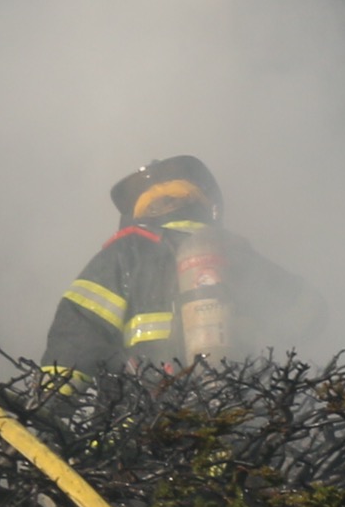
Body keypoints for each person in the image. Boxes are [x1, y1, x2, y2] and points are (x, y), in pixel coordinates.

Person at [38, 154, 266, 386]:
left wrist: (52, 397)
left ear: (141, 210)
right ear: (203, 202)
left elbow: (80, 326)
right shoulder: (239, 255)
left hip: (149, 412)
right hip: (236, 410)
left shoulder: (129, 249)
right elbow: (299, 315)